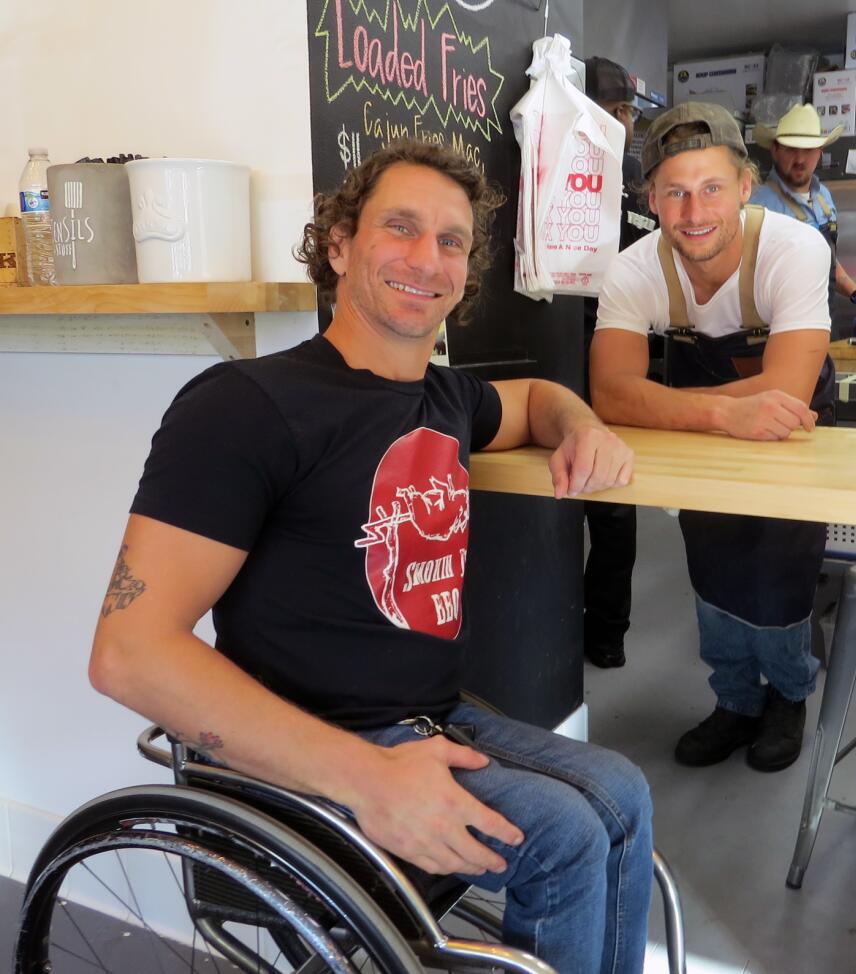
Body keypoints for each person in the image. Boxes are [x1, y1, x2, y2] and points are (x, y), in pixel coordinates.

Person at [89, 138, 653, 974]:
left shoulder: (443, 395)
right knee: (566, 835)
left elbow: (536, 400)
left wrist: (582, 425)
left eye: (452, 240)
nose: (428, 258)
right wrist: (368, 778)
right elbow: (129, 653)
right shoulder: (247, 407)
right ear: (340, 244)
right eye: (401, 227)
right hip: (301, 761)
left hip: (429, 717)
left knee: (625, 797)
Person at [590, 102, 836, 774]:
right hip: (713, 422)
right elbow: (610, 395)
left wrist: (664, 405)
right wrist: (728, 414)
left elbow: (785, 390)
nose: (693, 212)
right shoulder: (633, 271)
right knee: (712, 557)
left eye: (711, 189)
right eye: (675, 193)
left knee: (779, 560)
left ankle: (787, 695)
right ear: (652, 200)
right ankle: (735, 700)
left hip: (795, 426)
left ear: (746, 187)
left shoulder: (793, 250)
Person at [579, 55, 657, 668]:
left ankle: (606, 634)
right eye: (614, 109)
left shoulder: (638, 188)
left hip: (619, 360)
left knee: (612, 506)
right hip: (559, 359)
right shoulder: (563, 171)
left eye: (629, 112)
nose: (623, 124)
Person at [749, 102, 856, 322]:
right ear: (775, 150)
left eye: (807, 150)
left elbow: (828, 262)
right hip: (780, 325)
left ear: (819, 152)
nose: (799, 159)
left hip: (825, 318)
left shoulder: (823, 197)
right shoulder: (757, 205)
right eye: (790, 149)